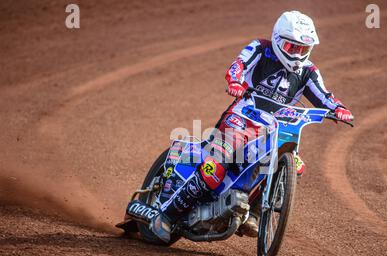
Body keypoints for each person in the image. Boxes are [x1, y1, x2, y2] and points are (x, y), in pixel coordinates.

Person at [127, 10, 354, 243]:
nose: (297, 55)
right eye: (291, 48)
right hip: (242, 119)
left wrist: (338, 108)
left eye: (303, 50)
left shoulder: (308, 71)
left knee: (295, 164)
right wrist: (235, 81)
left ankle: (254, 213)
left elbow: (324, 95)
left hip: (273, 130)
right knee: (216, 166)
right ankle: (166, 214)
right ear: (278, 41)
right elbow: (238, 65)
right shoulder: (260, 47)